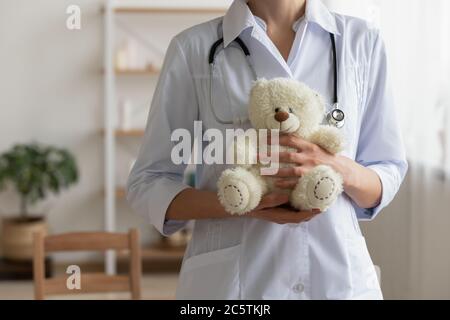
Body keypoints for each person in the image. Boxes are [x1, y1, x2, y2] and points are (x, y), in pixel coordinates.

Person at [127, 0, 408, 299]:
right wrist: (238, 202)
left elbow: (386, 170)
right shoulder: (193, 49)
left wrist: (334, 165)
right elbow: (148, 181)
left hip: (337, 280)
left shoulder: (361, 41)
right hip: (235, 286)